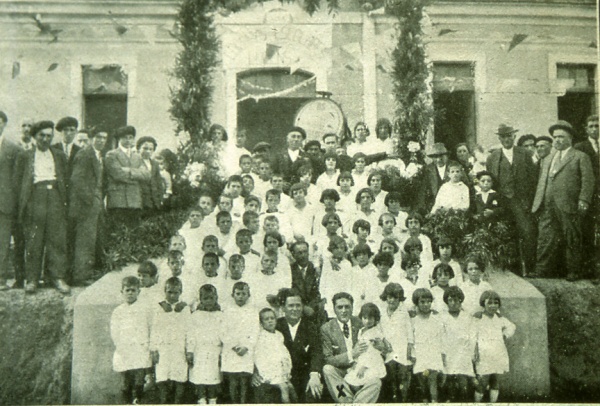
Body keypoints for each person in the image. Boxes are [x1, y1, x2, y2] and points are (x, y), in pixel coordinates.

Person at [532, 120, 594, 280]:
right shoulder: (549, 158)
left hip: (568, 204)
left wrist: (584, 200)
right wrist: (538, 201)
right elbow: (542, 182)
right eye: (555, 137)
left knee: (572, 237)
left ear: (570, 138)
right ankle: (541, 270)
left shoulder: (580, 157)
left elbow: (588, 181)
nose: (557, 140)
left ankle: (573, 271)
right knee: (546, 236)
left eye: (561, 137)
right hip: (548, 204)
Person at [15, 120, 70, 294]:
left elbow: (66, 179)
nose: (45, 139)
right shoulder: (25, 156)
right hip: (35, 197)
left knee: (56, 239)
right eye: (41, 135)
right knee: (34, 240)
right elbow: (17, 182)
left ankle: (57, 277)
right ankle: (32, 279)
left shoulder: (59, 155)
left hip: (55, 197)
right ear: (34, 136)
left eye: (49, 136)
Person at [486, 124, 538, 276]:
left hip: (521, 201)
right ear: (499, 139)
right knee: (504, 232)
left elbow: (533, 179)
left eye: (509, 136)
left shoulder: (525, 154)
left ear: (514, 136)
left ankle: (529, 268)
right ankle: (508, 268)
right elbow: (490, 179)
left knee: (527, 232)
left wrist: (529, 200)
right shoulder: (493, 157)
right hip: (502, 201)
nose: (506, 139)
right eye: (503, 137)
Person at [321, 292, 382, 403]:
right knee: (327, 369)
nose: (344, 310)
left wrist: (381, 346)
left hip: (361, 369)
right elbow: (328, 359)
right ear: (334, 309)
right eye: (340, 307)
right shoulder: (327, 328)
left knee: (376, 382)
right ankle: (347, 401)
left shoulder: (362, 322)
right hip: (341, 371)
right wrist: (352, 354)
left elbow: (377, 343)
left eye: (347, 307)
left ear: (352, 308)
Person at [69, 128, 107, 286]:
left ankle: (88, 273)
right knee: (85, 240)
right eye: (98, 137)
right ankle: (81, 276)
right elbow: (76, 180)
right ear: (91, 138)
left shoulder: (98, 155)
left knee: (93, 239)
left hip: (95, 203)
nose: (101, 140)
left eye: (104, 138)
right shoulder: (85, 154)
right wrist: (90, 200)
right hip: (86, 205)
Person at [110, 276, 153, 405]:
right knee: (125, 382)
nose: (130, 293)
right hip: (124, 350)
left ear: (138, 291)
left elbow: (149, 327)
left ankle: (137, 400)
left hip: (140, 349)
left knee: (139, 380)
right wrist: (120, 345)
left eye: (133, 290)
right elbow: (114, 331)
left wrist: (147, 345)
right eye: (127, 290)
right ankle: (127, 402)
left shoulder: (144, 309)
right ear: (122, 292)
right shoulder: (118, 311)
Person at [150, 276, 190, 404]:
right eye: (169, 292)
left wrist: (189, 350)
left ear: (181, 292)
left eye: (176, 292)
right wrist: (153, 349)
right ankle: (164, 402)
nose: (172, 296)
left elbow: (189, 331)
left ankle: (177, 402)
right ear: (164, 291)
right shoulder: (159, 308)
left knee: (179, 377)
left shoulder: (185, 308)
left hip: (179, 348)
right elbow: (155, 330)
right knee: (162, 377)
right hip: (163, 349)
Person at [473, 290, 516, 403]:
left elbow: (512, 326)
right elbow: (472, 334)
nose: (493, 306)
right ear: (483, 303)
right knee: (482, 382)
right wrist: (475, 350)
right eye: (489, 303)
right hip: (484, 354)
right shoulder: (478, 318)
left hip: (497, 353)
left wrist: (505, 335)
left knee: (495, 381)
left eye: (496, 303)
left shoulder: (500, 318)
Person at [105, 125, 150, 229]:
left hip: (135, 201)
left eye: (131, 137)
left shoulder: (137, 156)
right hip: (118, 201)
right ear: (119, 139)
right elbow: (118, 175)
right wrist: (136, 174)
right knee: (117, 231)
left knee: (134, 231)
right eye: (125, 137)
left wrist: (127, 170)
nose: (128, 140)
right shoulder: (112, 155)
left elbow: (147, 174)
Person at [221, 281, 259, 404]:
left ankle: (243, 403)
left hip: (246, 351)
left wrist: (246, 346)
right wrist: (234, 346)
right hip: (231, 351)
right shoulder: (227, 310)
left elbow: (255, 330)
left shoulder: (253, 311)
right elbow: (223, 331)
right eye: (238, 294)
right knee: (233, 380)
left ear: (249, 295)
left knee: (244, 380)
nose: (241, 296)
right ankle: (234, 403)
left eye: (244, 294)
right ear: (233, 295)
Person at [186, 284, 223, 405]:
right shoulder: (195, 315)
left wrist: (222, 352)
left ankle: (212, 399)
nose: (208, 301)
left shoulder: (221, 315)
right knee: (200, 377)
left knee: (213, 377)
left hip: (214, 350)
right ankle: (201, 399)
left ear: (216, 298)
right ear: (200, 299)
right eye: (205, 298)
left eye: (211, 298)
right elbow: (191, 335)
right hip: (199, 351)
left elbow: (224, 334)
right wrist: (190, 351)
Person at [440, 286, 476, 402]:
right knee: (449, 379)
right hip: (448, 351)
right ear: (446, 301)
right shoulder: (442, 317)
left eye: (456, 300)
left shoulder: (467, 317)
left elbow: (472, 336)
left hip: (463, 352)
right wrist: (443, 353)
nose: (453, 303)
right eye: (450, 300)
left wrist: (472, 352)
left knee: (463, 380)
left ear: (461, 300)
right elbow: (441, 336)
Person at [254, 308, 298, 403]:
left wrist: (286, 369)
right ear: (261, 323)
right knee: (284, 388)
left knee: (291, 388)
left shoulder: (279, 335)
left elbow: (284, 353)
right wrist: (272, 375)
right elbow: (261, 358)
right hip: (269, 372)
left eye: (272, 318)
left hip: (281, 370)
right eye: (266, 319)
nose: (270, 321)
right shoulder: (261, 337)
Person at [574, 115, 599, 277]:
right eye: (591, 126)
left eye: (597, 126)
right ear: (586, 129)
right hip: (590, 196)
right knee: (588, 231)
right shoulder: (580, 147)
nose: (595, 129)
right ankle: (590, 269)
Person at [379, 283, 413, 402]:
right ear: (386, 297)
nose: (392, 300)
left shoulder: (403, 313)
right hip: (388, 350)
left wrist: (409, 350)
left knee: (403, 376)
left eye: (395, 297)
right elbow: (379, 330)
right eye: (389, 297)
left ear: (400, 299)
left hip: (402, 349)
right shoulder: (382, 313)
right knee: (391, 375)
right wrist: (384, 341)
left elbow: (410, 333)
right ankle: (394, 397)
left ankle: (403, 399)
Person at [0, 111, 23, 290]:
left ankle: (0, 279)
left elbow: (17, 179)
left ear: (4, 124)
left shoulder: (13, 149)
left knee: (2, 241)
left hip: (4, 203)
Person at [410, 288, 444, 403]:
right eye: (422, 302)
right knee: (422, 381)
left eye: (429, 301)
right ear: (416, 303)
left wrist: (442, 354)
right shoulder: (413, 320)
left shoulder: (436, 318)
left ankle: (434, 401)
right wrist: (413, 354)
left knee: (432, 379)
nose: (426, 304)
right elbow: (411, 339)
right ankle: (425, 400)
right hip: (420, 354)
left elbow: (441, 337)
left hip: (434, 353)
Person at [419, 142, 453, 212]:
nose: (438, 159)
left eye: (441, 156)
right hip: (434, 206)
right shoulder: (428, 169)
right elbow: (423, 191)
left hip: (452, 205)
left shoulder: (454, 166)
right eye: (435, 157)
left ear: (447, 156)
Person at [136, 136, 164, 215]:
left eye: (151, 149)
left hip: (154, 201)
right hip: (141, 201)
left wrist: (160, 198)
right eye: (145, 148)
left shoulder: (155, 164)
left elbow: (158, 182)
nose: (148, 151)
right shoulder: (135, 162)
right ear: (138, 149)